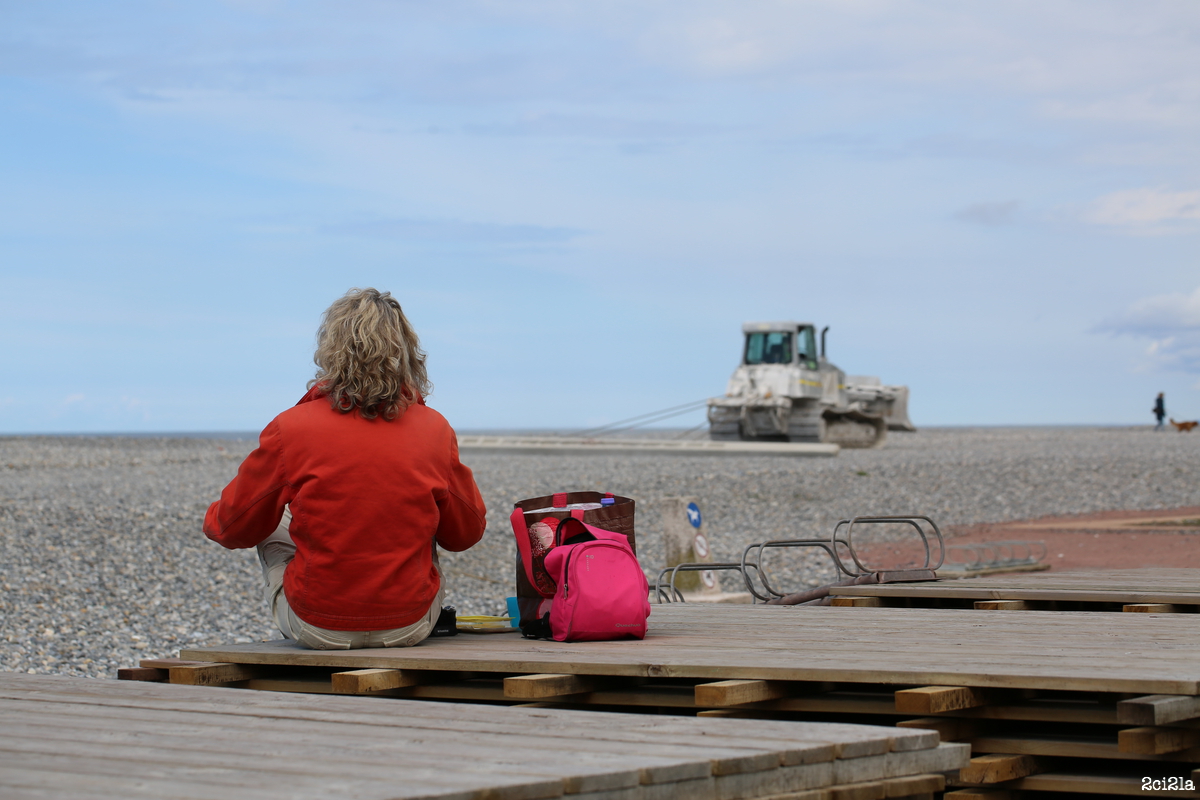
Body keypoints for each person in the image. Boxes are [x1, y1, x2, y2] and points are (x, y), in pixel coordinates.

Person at [203, 288, 486, 649]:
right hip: (410, 626)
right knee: (424, 511)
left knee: (271, 518)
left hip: (318, 627)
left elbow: (231, 529)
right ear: (406, 353)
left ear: (331, 349)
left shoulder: (291, 428)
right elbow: (465, 534)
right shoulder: (435, 429)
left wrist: (217, 513)